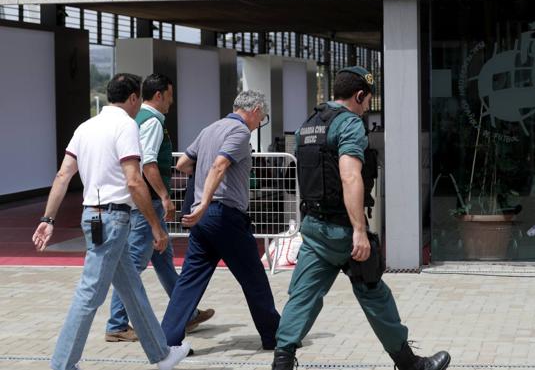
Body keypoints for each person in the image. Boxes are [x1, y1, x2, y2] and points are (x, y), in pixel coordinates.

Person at [270, 67, 451, 370]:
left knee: (302, 296)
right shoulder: (349, 125)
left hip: (313, 228)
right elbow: (350, 176)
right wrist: (359, 231)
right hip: (343, 231)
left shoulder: (307, 126)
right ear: (358, 95)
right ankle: (409, 363)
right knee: (374, 292)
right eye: (367, 100)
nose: (368, 107)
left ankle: (282, 362)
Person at [32, 73, 190, 370]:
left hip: (93, 215)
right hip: (114, 218)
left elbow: (63, 175)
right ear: (132, 98)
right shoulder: (126, 126)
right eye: (137, 100)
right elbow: (133, 180)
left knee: (132, 290)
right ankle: (62, 365)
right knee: (90, 293)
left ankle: (162, 355)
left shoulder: (85, 127)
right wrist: (156, 225)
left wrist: (47, 218)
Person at [160, 90, 280, 350]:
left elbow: (182, 163)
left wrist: (202, 188)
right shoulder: (239, 132)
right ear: (256, 110)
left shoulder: (210, 129)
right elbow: (220, 165)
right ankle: (275, 337)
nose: (260, 122)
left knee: (189, 281)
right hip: (224, 215)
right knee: (253, 277)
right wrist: (205, 200)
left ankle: (166, 341)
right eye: (262, 117)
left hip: (204, 222)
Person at [105, 73, 214, 343]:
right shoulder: (152, 122)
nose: (171, 101)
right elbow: (148, 163)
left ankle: (186, 313)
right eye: (170, 95)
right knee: (133, 264)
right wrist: (165, 196)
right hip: (149, 203)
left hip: (143, 201)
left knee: (163, 261)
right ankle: (117, 324)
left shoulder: (138, 119)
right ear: (159, 96)